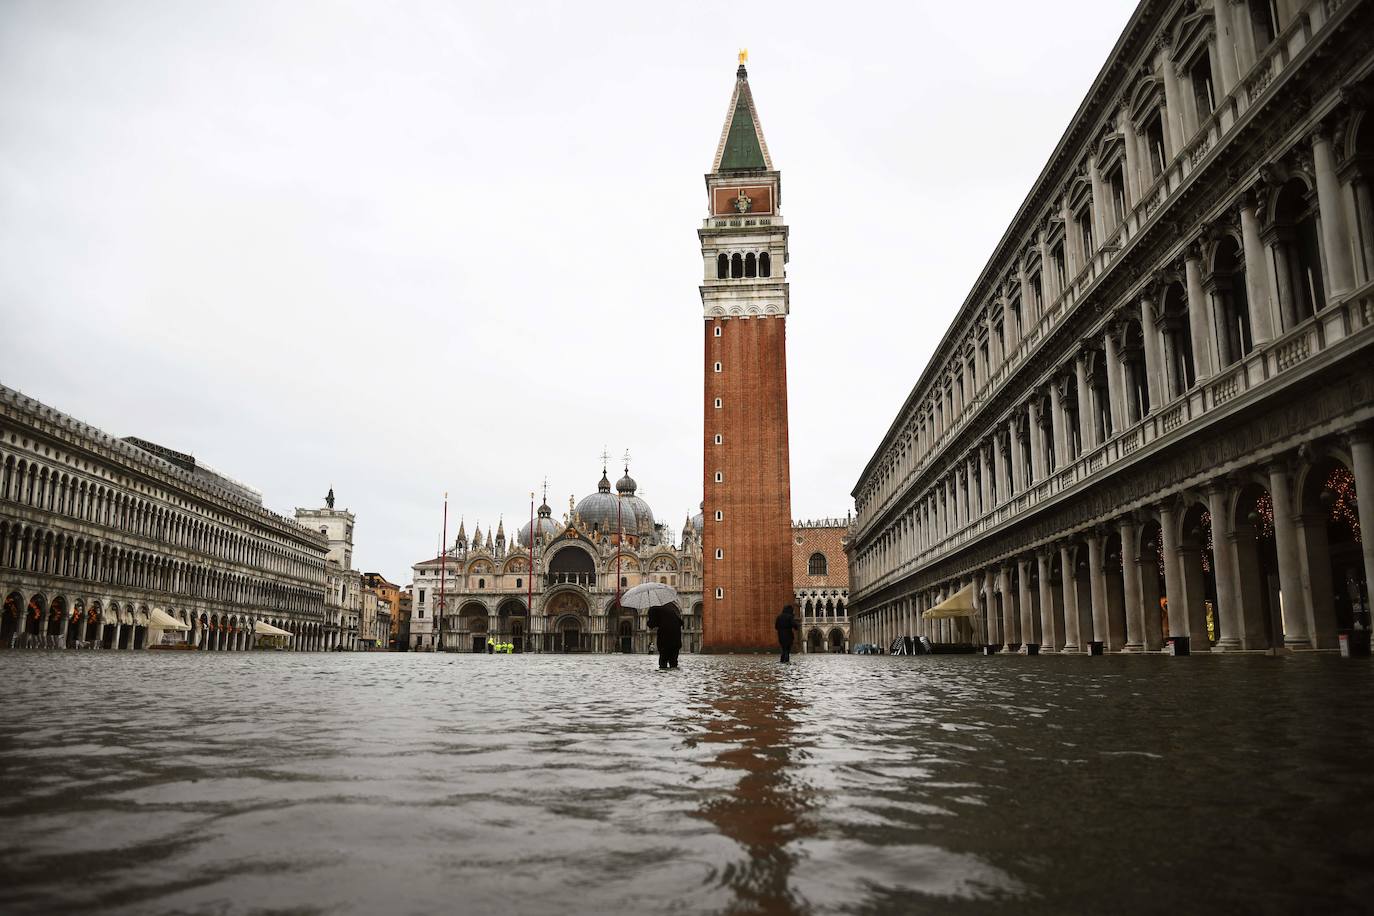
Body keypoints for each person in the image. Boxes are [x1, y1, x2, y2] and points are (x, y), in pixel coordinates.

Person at [651, 605, 683, 670]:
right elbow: (681, 622)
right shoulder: (671, 611)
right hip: (676, 642)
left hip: (664, 642)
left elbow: (652, 624)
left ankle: (664, 677)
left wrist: (649, 623)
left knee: (663, 662)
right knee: (673, 662)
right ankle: (673, 678)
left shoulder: (653, 610)